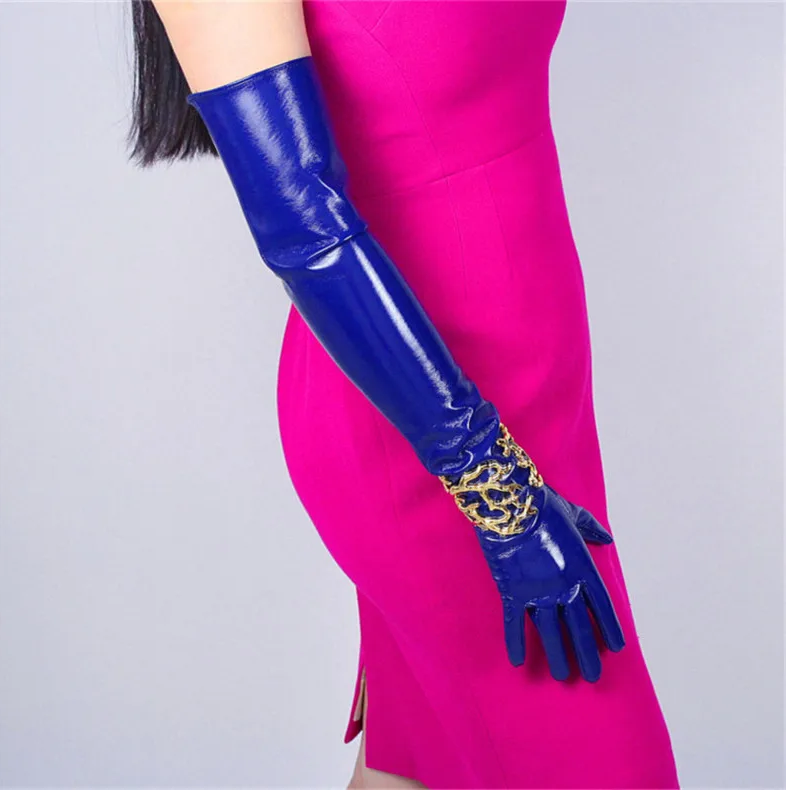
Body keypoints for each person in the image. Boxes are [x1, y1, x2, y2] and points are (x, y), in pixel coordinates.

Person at [128, 1, 680, 787]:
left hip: (539, 397)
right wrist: (499, 495)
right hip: (430, 432)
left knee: (410, 769)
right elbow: (299, 225)